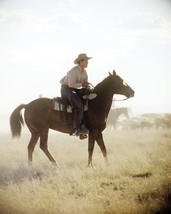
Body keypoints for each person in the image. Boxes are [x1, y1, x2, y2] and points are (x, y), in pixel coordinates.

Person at [60, 53, 95, 136]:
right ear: (81, 62)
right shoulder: (73, 71)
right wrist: (83, 85)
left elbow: (85, 83)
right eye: (86, 61)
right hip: (66, 89)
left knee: (86, 102)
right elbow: (71, 84)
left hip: (76, 89)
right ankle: (77, 129)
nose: (87, 63)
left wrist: (88, 88)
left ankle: (83, 126)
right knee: (79, 105)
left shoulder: (85, 72)